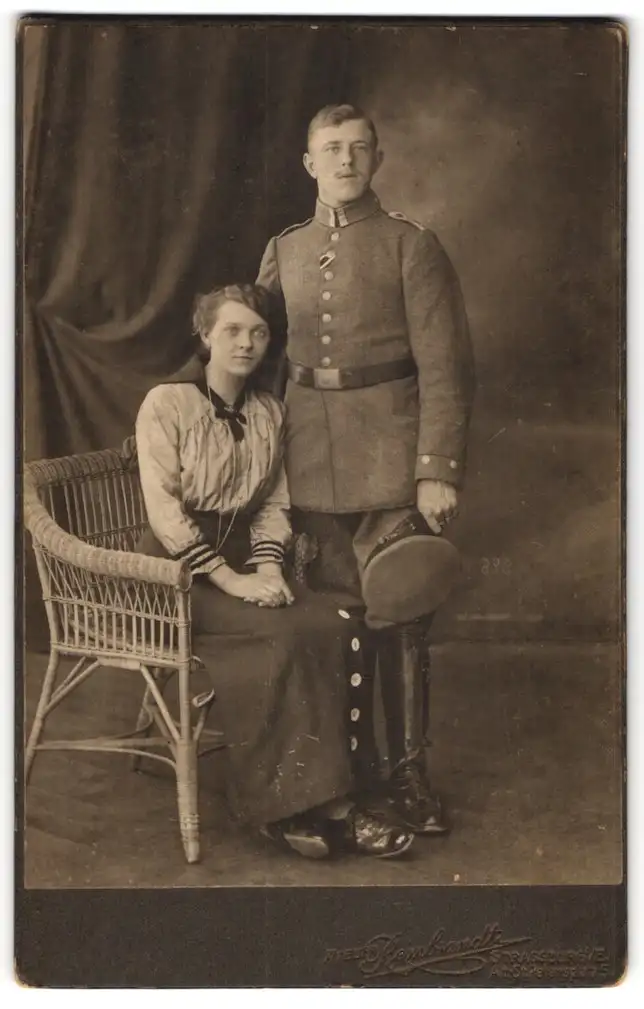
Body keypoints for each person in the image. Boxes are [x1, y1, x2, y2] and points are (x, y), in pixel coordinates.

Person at [134, 282, 414, 860]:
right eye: (232, 330)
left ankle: (345, 791)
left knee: (341, 620)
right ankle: (304, 808)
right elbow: (164, 513)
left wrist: (267, 566)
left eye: (258, 333)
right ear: (205, 334)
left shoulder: (267, 411)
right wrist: (233, 581)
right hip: (175, 572)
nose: (246, 343)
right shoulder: (166, 404)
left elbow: (271, 503)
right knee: (281, 634)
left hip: (249, 561)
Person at [256, 105, 476, 835]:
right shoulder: (283, 250)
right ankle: (340, 776)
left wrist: (435, 469)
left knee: (401, 616)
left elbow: (445, 369)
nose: (345, 161)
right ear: (308, 162)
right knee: (331, 619)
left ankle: (409, 777)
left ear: (377, 159)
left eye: (358, 149)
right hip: (308, 460)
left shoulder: (411, 245)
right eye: (331, 149)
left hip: (390, 455)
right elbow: (256, 357)